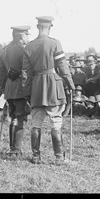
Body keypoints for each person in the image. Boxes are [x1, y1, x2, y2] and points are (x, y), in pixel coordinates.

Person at [22, 16, 75, 164]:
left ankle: (35, 156)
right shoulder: (54, 43)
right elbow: (63, 67)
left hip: (37, 86)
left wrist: (27, 91)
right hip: (53, 85)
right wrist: (70, 84)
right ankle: (59, 158)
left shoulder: (29, 46)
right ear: (50, 27)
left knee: (36, 122)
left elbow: (26, 72)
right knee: (56, 121)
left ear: (38, 27)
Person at [0, 25, 31, 159]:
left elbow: (0, 72)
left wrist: (4, 88)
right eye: (27, 35)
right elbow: (28, 70)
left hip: (9, 89)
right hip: (21, 88)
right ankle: (15, 150)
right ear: (21, 36)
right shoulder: (23, 50)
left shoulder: (5, 50)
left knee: (13, 117)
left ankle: (13, 148)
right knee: (19, 117)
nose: (28, 38)